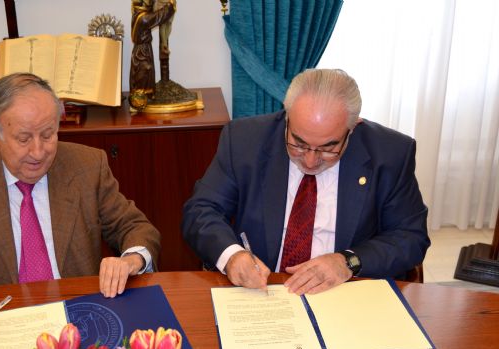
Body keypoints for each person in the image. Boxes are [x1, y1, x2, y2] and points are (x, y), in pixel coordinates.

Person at [0, 73, 161, 345]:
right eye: (23, 138)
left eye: (48, 134)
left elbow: (135, 227)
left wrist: (130, 260)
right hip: (1, 325)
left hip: (80, 319)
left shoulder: (87, 166)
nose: (38, 152)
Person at [182, 68, 430, 296]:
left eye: (328, 147)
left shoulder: (390, 153)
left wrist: (348, 262)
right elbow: (201, 210)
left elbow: (410, 236)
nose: (311, 161)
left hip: (346, 292)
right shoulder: (245, 140)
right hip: (264, 291)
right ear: (287, 117)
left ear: (353, 127)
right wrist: (233, 256)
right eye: (298, 143)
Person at [129, 0, 176, 96]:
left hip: (143, 50)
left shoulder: (137, 15)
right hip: (142, 53)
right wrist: (170, 5)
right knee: (143, 73)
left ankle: (145, 95)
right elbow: (159, 16)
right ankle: (141, 98)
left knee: (145, 74)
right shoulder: (143, 18)